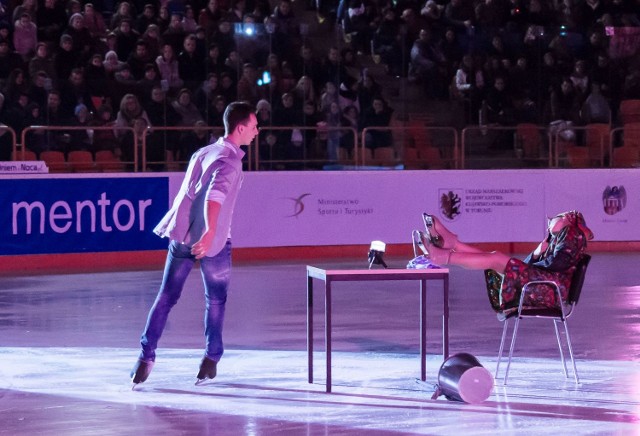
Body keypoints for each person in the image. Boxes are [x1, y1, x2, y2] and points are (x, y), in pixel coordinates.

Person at [130, 101, 258, 386]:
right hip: (210, 239)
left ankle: (144, 358)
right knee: (215, 298)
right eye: (253, 126)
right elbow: (215, 198)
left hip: (183, 236)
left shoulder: (203, 151)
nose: (257, 132)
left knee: (167, 295)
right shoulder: (230, 161)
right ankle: (211, 358)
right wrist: (210, 232)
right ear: (240, 128)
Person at [420, 210, 593, 317]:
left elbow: (557, 264)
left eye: (555, 220)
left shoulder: (572, 234)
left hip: (550, 291)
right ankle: (453, 245)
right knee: (496, 259)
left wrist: (535, 260)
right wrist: (537, 253)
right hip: (544, 285)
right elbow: (527, 265)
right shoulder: (558, 237)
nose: (549, 227)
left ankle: (442, 256)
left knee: (497, 259)